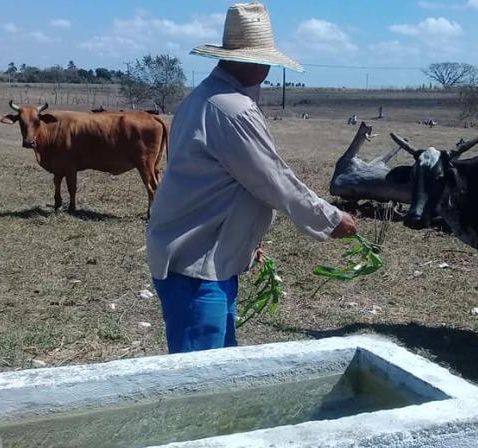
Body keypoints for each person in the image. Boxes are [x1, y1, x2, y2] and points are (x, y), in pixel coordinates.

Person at [146, 2, 357, 354]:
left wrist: (243, 242)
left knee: (222, 365)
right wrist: (331, 219)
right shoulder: (232, 110)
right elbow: (273, 180)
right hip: (197, 269)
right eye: (267, 61)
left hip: (206, 259)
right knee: (201, 377)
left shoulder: (202, 99)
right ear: (255, 61)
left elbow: (215, 184)